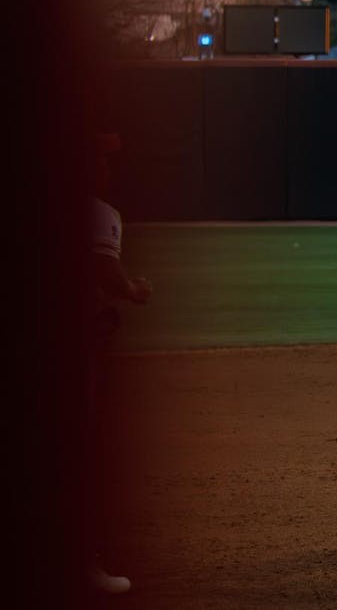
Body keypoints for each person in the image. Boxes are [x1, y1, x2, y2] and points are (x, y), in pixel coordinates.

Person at [85, 132, 152, 595]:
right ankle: (80, 564)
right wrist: (132, 292)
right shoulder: (96, 212)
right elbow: (103, 272)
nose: (107, 168)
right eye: (99, 159)